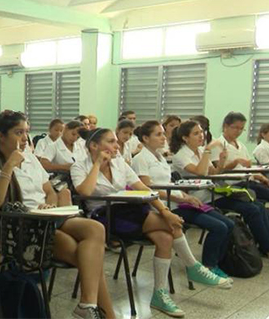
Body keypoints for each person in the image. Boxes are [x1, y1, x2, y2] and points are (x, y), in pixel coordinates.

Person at [72, 127, 231, 318]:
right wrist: (97, 164)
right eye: (111, 142)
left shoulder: (119, 163)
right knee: (171, 224)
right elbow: (85, 192)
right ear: (94, 146)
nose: (117, 146)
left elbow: (143, 188)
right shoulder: (79, 166)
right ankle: (192, 266)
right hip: (102, 218)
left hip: (128, 212)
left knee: (165, 237)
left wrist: (164, 210)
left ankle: (160, 295)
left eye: (116, 141)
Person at [0, 110, 115, 319]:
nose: (25, 138)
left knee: (95, 228)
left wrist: (50, 206)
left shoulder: (32, 160)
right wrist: (9, 166)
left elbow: (50, 192)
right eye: (18, 132)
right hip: (24, 227)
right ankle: (100, 312)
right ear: (0, 135)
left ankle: (87, 304)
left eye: (26, 132)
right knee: (90, 261)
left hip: (47, 218)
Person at [132, 121, 234, 278]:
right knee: (218, 227)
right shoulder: (140, 159)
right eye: (158, 134)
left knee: (228, 224)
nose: (163, 138)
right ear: (145, 138)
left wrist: (187, 196)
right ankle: (208, 266)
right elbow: (148, 189)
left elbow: (170, 183)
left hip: (178, 201)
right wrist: (180, 199)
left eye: (163, 134)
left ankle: (218, 263)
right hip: (165, 207)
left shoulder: (160, 157)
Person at [171, 120, 269, 266]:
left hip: (216, 192)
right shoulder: (180, 155)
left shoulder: (200, 151)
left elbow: (213, 173)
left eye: (202, 132)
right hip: (201, 198)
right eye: (196, 133)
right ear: (185, 138)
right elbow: (201, 173)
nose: (201, 136)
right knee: (251, 210)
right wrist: (208, 150)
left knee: (258, 206)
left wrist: (220, 162)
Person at [210, 112, 269, 203]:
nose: (238, 131)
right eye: (235, 128)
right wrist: (235, 162)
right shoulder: (217, 145)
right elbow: (218, 170)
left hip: (249, 180)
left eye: (241, 129)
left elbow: (248, 167)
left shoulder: (241, 146)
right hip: (234, 183)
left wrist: (260, 176)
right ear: (225, 126)